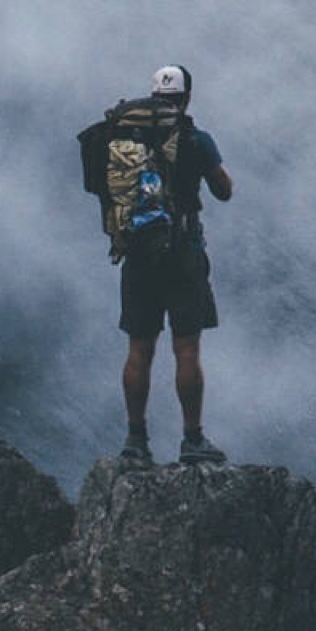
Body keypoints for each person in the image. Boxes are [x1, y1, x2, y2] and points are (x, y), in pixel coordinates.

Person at [118, 64, 233, 469]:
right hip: (183, 252)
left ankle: (135, 440)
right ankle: (192, 439)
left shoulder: (125, 141)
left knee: (139, 349)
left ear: (152, 96)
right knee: (186, 348)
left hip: (138, 255)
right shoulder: (196, 140)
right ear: (186, 99)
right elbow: (224, 191)